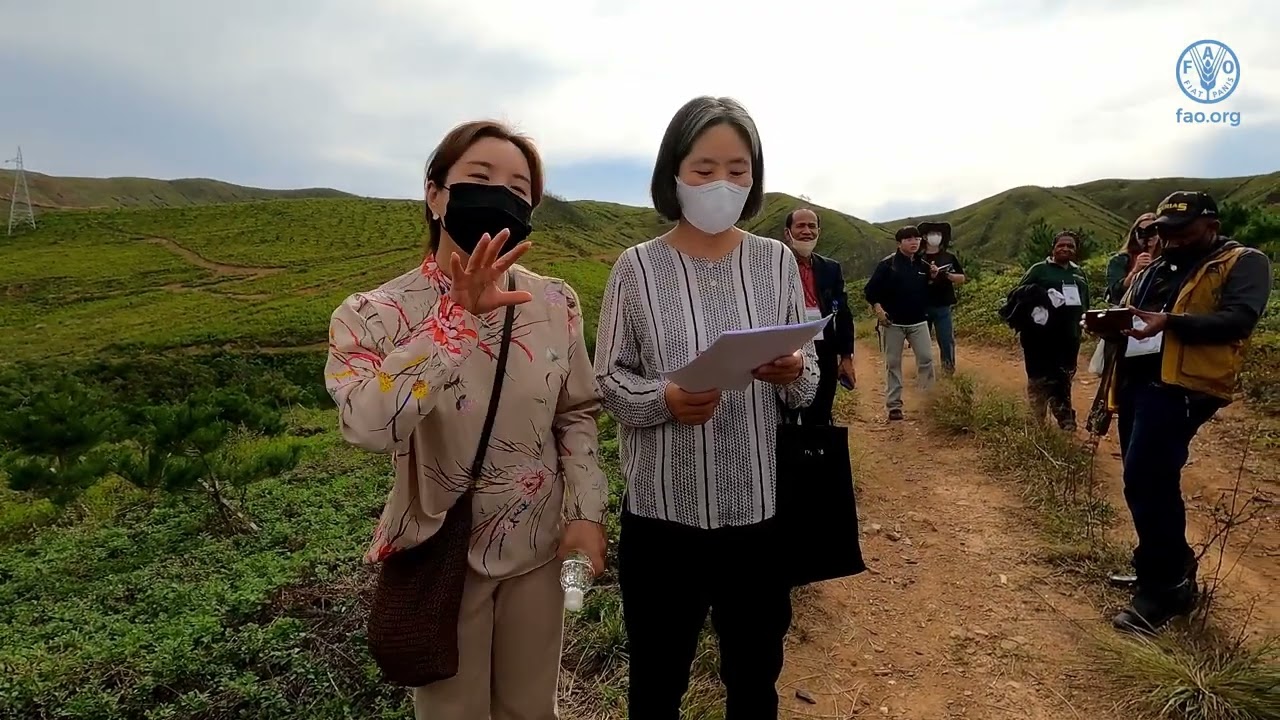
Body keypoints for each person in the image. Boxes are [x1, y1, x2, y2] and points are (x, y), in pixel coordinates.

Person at [324, 120, 609, 719]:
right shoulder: (374, 314)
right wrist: (449, 322)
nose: (500, 195)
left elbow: (575, 413)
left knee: (532, 710)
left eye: (519, 188)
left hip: (537, 544)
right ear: (435, 194)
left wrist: (585, 513)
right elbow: (368, 424)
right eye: (479, 178)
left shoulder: (554, 302)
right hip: (440, 548)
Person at [593, 95, 819, 720]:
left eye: (738, 170)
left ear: (755, 177)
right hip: (663, 515)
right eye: (704, 169)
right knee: (657, 678)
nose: (722, 184)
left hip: (757, 511)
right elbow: (607, 379)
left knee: (754, 677)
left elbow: (807, 376)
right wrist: (662, 399)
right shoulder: (635, 268)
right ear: (674, 173)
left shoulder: (775, 262)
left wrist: (794, 369)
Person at [1097, 191, 1272, 634]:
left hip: (1184, 386)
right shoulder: (1155, 266)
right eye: (1164, 232)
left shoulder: (1243, 261)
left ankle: (1165, 589)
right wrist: (1111, 323)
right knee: (1143, 479)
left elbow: (1238, 321)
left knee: (1148, 477)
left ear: (1211, 225)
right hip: (1138, 380)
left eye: (1182, 231)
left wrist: (1170, 322)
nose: (1171, 240)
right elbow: (1135, 313)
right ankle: (1163, 567)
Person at [1010, 231, 1090, 431]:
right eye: (1061, 245)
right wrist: (1041, 295)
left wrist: (1085, 324)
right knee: (1038, 377)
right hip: (1039, 337)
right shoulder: (1039, 270)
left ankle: (1065, 420)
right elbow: (1017, 294)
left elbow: (1084, 303)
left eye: (1070, 246)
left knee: (1063, 377)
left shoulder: (1079, 273)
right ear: (1053, 248)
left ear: (1076, 250)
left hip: (1069, 336)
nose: (1065, 249)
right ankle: (1037, 421)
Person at [783, 207, 856, 425]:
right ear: (788, 232)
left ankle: (816, 458)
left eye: (811, 226)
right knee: (785, 416)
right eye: (800, 226)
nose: (807, 231)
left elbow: (842, 312)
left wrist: (845, 357)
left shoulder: (830, 269)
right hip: (786, 350)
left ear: (819, 231)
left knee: (820, 413)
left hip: (823, 349)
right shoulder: (774, 266)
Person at [864, 225, 938, 421]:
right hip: (893, 323)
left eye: (916, 238)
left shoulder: (923, 265)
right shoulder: (887, 265)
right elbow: (870, 291)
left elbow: (928, 290)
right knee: (893, 363)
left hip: (918, 321)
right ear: (899, 243)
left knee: (926, 359)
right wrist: (878, 309)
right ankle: (894, 405)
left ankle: (928, 401)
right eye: (908, 239)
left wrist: (932, 276)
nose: (914, 242)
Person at [918, 220, 966, 374]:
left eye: (938, 234)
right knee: (922, 343)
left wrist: (948, 275)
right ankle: (925, 374)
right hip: (923, 305)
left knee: (946, 340)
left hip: (943, 305)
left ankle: (948, 372)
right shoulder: (918, 259)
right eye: (932, 234)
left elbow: (962, 278)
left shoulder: (949, 258)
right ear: (924, 237)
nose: (935, 237)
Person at [1104, 212, 1160, 304]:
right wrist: (1135, 270)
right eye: (1141, 231)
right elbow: (1115, 292)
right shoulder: (1120, 260)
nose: (1147, 235)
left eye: (1153, 230)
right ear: (1135, 234)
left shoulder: (1166, 259)